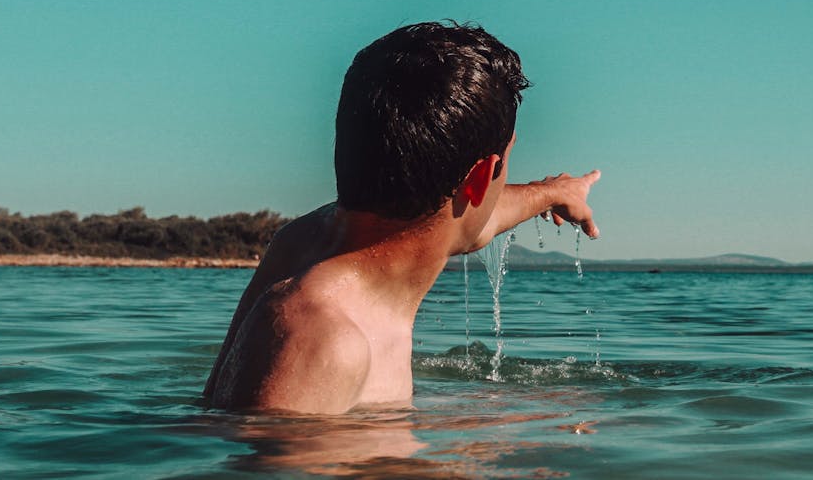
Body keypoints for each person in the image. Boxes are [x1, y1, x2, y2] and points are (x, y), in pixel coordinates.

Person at [204, 21, 600, 414]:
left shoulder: (302, 243)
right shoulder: (322, 337)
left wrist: (552, 193)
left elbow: (465, 222)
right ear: (481, 179)